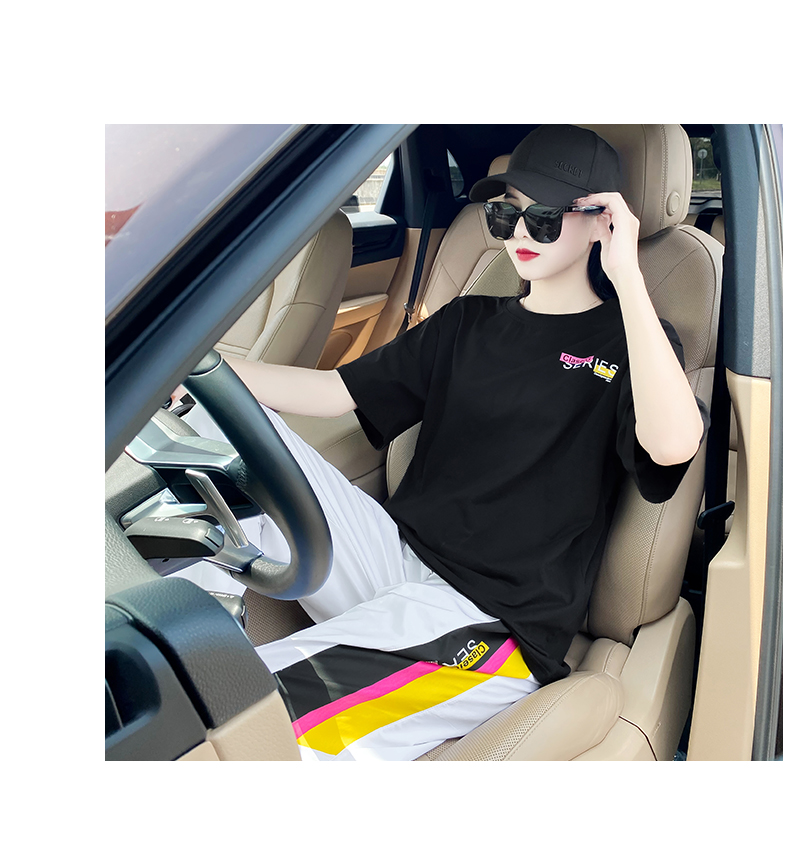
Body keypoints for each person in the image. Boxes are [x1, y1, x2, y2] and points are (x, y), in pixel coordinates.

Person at [176, 125, 709, 761]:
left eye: (542, 217)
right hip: (394, 555)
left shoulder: (634, 345)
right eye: (505, 213)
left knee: (252, 716)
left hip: (493, 618)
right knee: (221, 432)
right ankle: (167, 628)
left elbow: (672, 446)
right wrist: (195, 371)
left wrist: (627, 278)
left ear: (603, 222)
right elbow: (336, 392)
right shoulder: (468, 319)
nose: (517, 233)